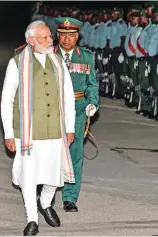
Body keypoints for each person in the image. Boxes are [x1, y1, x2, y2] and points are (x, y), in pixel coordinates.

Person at [1, 20, 76, 236]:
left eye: (49, 36)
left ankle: (45, 202)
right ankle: (32, 218)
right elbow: (7, 100)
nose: (51, 40)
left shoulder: (58, 62)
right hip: (27, 132)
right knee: (29, 176)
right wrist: (8, 133)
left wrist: (69, 127)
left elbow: (68, 97)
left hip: (55, 129)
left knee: (54, 173)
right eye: (45, 37)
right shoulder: (17, 63)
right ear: (31, 41)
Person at [54, 17, 99, 212]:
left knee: (75, 154)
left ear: (77, 36)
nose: (66, 40)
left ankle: (70, 197)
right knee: (50, 152)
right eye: (63, 35)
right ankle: (42, 191)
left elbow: (92, 84)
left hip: (78, 108)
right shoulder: (48, 55)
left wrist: (93, 103)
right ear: (57, 35)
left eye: (71, 36)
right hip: (52, 109)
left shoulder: (86, 57)